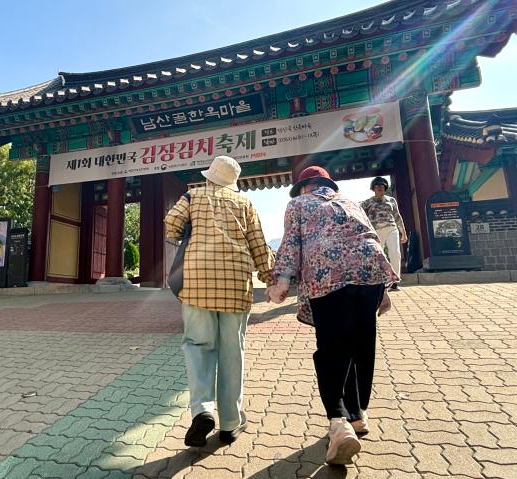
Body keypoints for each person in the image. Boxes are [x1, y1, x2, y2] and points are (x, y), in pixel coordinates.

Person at [267, 166, 397, 465]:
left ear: (304, 188)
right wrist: (384, 290)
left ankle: (338, 423)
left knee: (331, 349)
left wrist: (282, 282)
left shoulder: (298, 204)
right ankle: (358, 415)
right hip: (370, 275)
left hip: (329, 276)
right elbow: (371, 238)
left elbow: (291, 244)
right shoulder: (351, 202)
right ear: (326, 184)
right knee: (361, 345)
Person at [165, 155, 274, 447]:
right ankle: (230, 423)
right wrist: (271, 277)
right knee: (231, 352)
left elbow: (171, 225)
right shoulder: (245, 204)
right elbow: (259, 246)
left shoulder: (192, 195)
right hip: (236, 285)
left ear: (209, 177)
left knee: (198, 347)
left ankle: (202, 410)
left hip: (197, 282)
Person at [360, 177, 407, 290]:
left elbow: (397, 216)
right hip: (376, 231)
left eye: (382, 186)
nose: (380, 188)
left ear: (385, 188)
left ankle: (395, 282)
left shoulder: (391, 200)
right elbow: (358, 212)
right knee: (378, 257)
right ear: (373, 189)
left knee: (395, 253)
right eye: (377, 186)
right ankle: (379, 282)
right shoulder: (367, 202)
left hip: (391, 228)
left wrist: (403, 233)